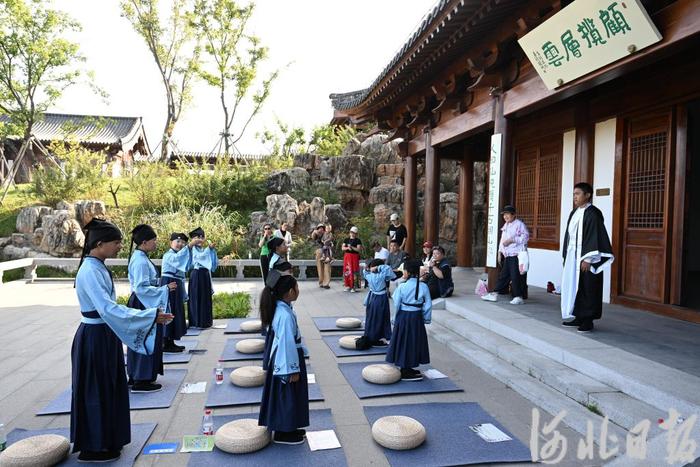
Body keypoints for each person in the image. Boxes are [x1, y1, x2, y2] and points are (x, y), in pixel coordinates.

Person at [71, 219, 172, 462]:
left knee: (109, 386)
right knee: (97, 389)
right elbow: (107, 308)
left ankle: (108, 439)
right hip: (94, 337)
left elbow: (110, 309)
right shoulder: (90, 270)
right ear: (100, 244)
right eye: (116, 243)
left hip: (104, 334)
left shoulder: (96, 266)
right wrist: (148, 316)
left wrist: (147, 316)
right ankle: (95, 446)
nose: (119, 247)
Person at [258, 273, 309, 445]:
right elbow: (287, 344)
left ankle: (290, 426)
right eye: (296, 287)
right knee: (286, 394)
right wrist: (292, 369)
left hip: (285, 356)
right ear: (289, 292)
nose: (298, 290)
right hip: (286, 359)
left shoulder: (281, 307)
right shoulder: (284, 314)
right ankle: (283, 432)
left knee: (288, 395)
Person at [561, 182, 614, 333]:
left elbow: (595, 236)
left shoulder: (593, 213)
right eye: (573, 194)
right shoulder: (575, 212)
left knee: (588, 287)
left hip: (587, 258)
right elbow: (569, 236)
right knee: (574, 285)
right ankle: (578, 316)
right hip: (573, 256)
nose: (575, 197)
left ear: (587, 195)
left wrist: (588, 259)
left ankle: (588, 320)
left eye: (577, 194)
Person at [126, 224, 172, 392]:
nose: (155, 243)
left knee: (142, 339)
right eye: (153, 240)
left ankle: (137, 375)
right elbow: (140, 288)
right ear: (144, 242)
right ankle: (141, 379)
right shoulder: (140, 261)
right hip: (142, 302)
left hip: (143, 301)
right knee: (145, 339)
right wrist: (164, 290)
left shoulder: (140, 257)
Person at [386, 259, 431, 381]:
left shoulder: (402, 286)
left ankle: (406, 368)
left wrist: (395, 318)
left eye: (404, 270)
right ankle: (406, 369)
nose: (403, 272)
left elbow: (397, 303)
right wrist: (426, 318)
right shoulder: (424, 286)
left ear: (408, 272)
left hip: (403, 316)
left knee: (403, 341)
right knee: (414, 341)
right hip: (416, 317)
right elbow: (428, 305)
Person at [481, 205, 530, 305]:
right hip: (508, 255)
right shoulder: (506, 225)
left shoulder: (519, 224)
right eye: (504, 214)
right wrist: (499, 252)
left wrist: (512, 240)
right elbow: (502, 241)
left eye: (507, 214)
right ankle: (494, 293)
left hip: (516, 254)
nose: (505, 216)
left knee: (514, 275)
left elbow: (525, 237)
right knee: (503, 276)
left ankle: (518, 296)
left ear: (513, 215)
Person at [160, 232, 192, 352]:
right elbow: (177, 260)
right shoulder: (169, 255)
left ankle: (170, 341)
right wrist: (188, 247)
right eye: (177, 241)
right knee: (169, 310)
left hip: (176, 284)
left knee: (175, 311)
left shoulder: (179, 255)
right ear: (171, 243)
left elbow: (187, 263)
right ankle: (165, 341)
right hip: (169, 283)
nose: (180, 244)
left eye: (183, 242)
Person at [187, 227, 217, 329]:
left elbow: (211, 261)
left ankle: (206, 321)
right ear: (193, 239)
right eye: (197, 237)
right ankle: (197, 321)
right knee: (197, 297)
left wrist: (211, 250)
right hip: (197, 275)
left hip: (204, 275)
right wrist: (210, 249)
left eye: (202, 237)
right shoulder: (192, 249)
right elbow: (201, 258)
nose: (200, 239)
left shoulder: (203, 249)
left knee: (205, 297)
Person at [362, 259, 395, 346]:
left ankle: (371, 335)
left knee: (372, 316)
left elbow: (364, 271)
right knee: (383, 316)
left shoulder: (369, 275)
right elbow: (389, 270)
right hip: (381, 298)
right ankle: (382, 336)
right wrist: (378, 267)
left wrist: (369, 268)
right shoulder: (382, 275)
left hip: (372, 297)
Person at [342, 226, 363, 292]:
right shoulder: (346, 239)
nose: (352, 234)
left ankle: (354, 287)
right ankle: (347, 285)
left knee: (354, 270)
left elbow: (358, 249)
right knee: (347, 270)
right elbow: (342, 248)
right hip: (347, 256)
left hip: (354, 256)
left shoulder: (358, 240)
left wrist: (352, 247)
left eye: (354, 233)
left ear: (356, 234)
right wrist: (347, 248)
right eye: (351, 232)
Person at [311, 224, 332, 289]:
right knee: (320, 267)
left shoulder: (328, 234)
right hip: (319, 251)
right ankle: (321, 282)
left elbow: (330, 240)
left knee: (327, 267)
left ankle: (326, 283)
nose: (321, 229)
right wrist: (314, 232)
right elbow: (313, 237)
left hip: (327, 252)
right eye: (319, 228)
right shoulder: (316, 233)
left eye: (322, 228)